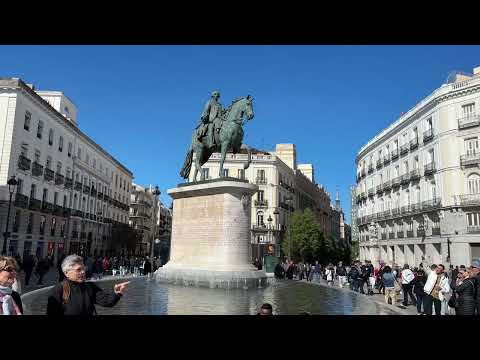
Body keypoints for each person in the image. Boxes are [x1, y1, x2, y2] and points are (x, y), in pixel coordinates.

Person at [46, 255, 129, 316]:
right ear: (66, 273)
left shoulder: (90, 287)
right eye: (78, 270)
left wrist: (116, 293)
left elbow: (106, 301)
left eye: (83, 268)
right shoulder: (59, 290)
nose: (83, 272)